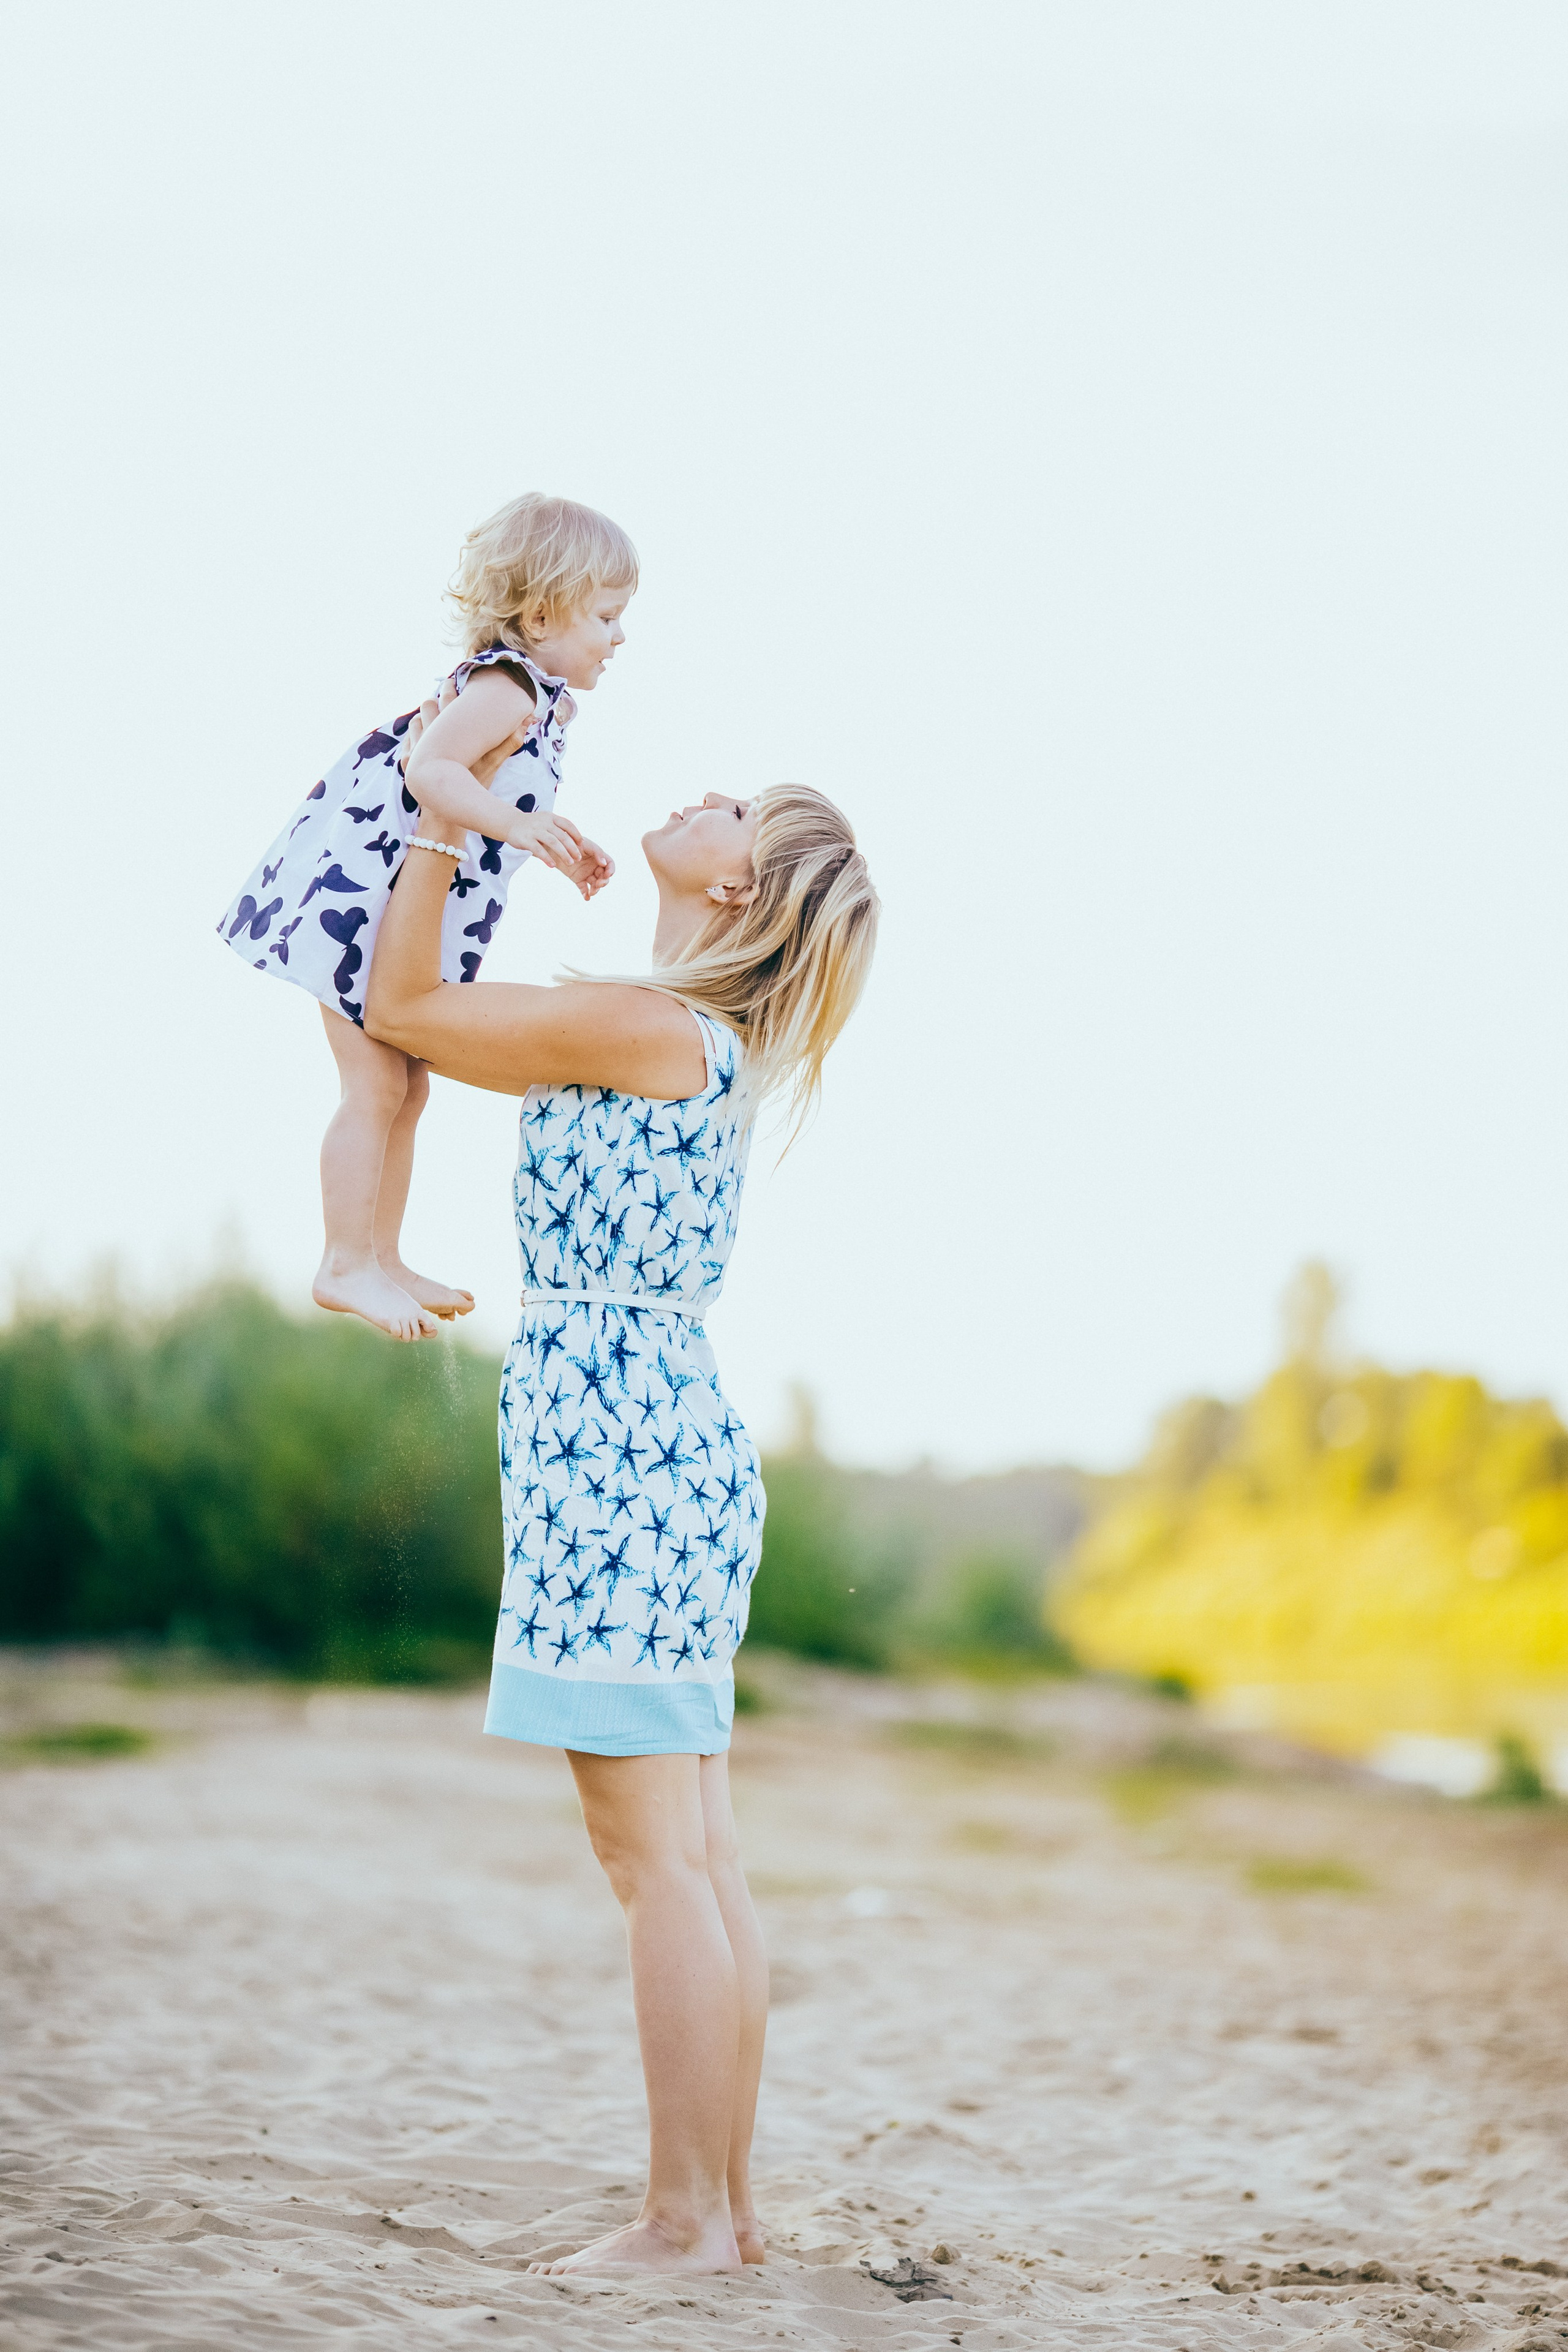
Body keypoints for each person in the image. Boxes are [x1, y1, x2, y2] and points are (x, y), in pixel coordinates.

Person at [365, 725, 879, 2275]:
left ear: (736, 878)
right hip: (660, 1439)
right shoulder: (693, 1039)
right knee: (697, 1856)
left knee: (654, 1861)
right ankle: (724, 2217)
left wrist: (444, 816)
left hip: (617, 1447)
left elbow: (401, 1010)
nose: (694, 794)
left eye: (730, 806)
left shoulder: (644, 1026)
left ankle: (681, 2219)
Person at [216, 493, 635, 1341]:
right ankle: (344, 1261)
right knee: (374, 1084)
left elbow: (485, 794)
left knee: (408, 1086)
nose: (619, 636)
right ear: (543, 611)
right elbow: (429, 769)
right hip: (366, 901)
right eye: (607, 616)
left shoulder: (537, 702)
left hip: (405, 907)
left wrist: (554, 839)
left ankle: (382, 1253)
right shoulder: (505, 687)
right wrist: (518, 824)